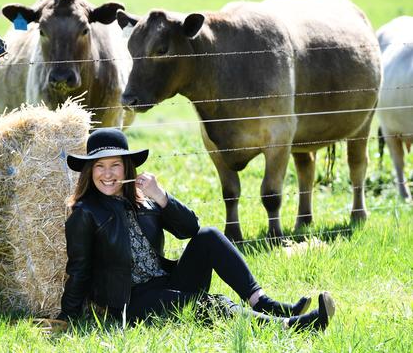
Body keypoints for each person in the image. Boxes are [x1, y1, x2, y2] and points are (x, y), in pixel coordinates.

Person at [58, 128, 335, 331]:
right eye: (99, 166)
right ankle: (288, 326)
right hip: (131, 300)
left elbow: (190, 229)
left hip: (166, 281)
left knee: (210, 235)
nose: (108, 174)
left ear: (127, 167)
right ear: (89, 171)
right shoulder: (85, 213)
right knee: (204, 304)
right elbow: (79, 269)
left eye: (115, 165)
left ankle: (262, 302)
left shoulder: (143, 200)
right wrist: (67, 317)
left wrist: (161, 196)